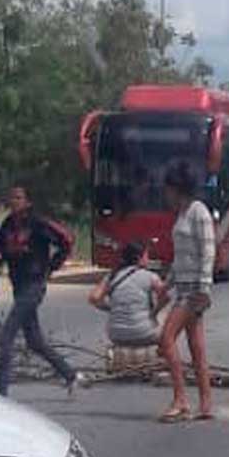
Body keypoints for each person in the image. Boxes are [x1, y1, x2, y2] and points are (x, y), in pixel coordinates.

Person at [0, 186, 79, 397]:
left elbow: (67, 239)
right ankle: (70, 375)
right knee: (34, 341)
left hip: (34, 285)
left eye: (19, 197)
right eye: (12, 197)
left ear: (28, 202)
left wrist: (52, 265)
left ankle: (0, 394)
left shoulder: (39, 223)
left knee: (7, 334)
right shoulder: (8, 224)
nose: (14, 201)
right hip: (18, 285)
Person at [156, 163, 216, 422]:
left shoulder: (197, 212)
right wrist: (166, 283)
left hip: (193, 290)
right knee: (196, 347)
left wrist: (204, 287)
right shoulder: (181, 214)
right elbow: (181, 258)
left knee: (166, 338)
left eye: (168, 190)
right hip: (182, 285)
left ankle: (180, 399)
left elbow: (208, 251)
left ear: (177, 189)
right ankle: (205, 402)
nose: (165, 195)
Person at [88, 241, 168, 347]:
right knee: (168, 322)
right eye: (146, 256)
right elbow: (165, 297)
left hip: (116, 336)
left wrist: (111, 308)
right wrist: (154, 312)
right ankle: (163, 356)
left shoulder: (112, 276)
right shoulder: (150, 276)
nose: (148, 260)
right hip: (144, 334)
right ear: (139, 258)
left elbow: (94, 298)